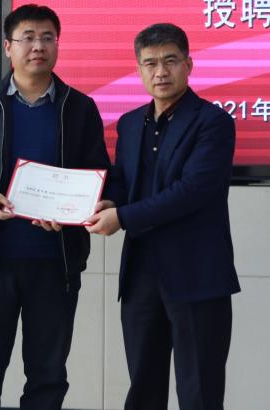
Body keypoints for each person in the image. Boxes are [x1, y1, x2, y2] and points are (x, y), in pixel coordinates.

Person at [0, 4, 110, 410]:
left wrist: (76, 210)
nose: (38, 46)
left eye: (48, 37)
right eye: (28, 38)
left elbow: (98, 172)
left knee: (48, 376)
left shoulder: (79, 107)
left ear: (57, 45)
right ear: (8, 47)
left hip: (56, 262)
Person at [87, 22, 239, 410]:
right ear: (139, 69)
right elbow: (124, 183)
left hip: (197, 275)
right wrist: (103, 203)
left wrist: (122, 217)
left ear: (189, 64)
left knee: (200, 392)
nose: (160, 72)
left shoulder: (213, 123)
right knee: (143, 389)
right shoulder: (129, 124)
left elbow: (191, 192)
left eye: (170, 61)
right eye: (150, 63)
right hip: (141, 276)